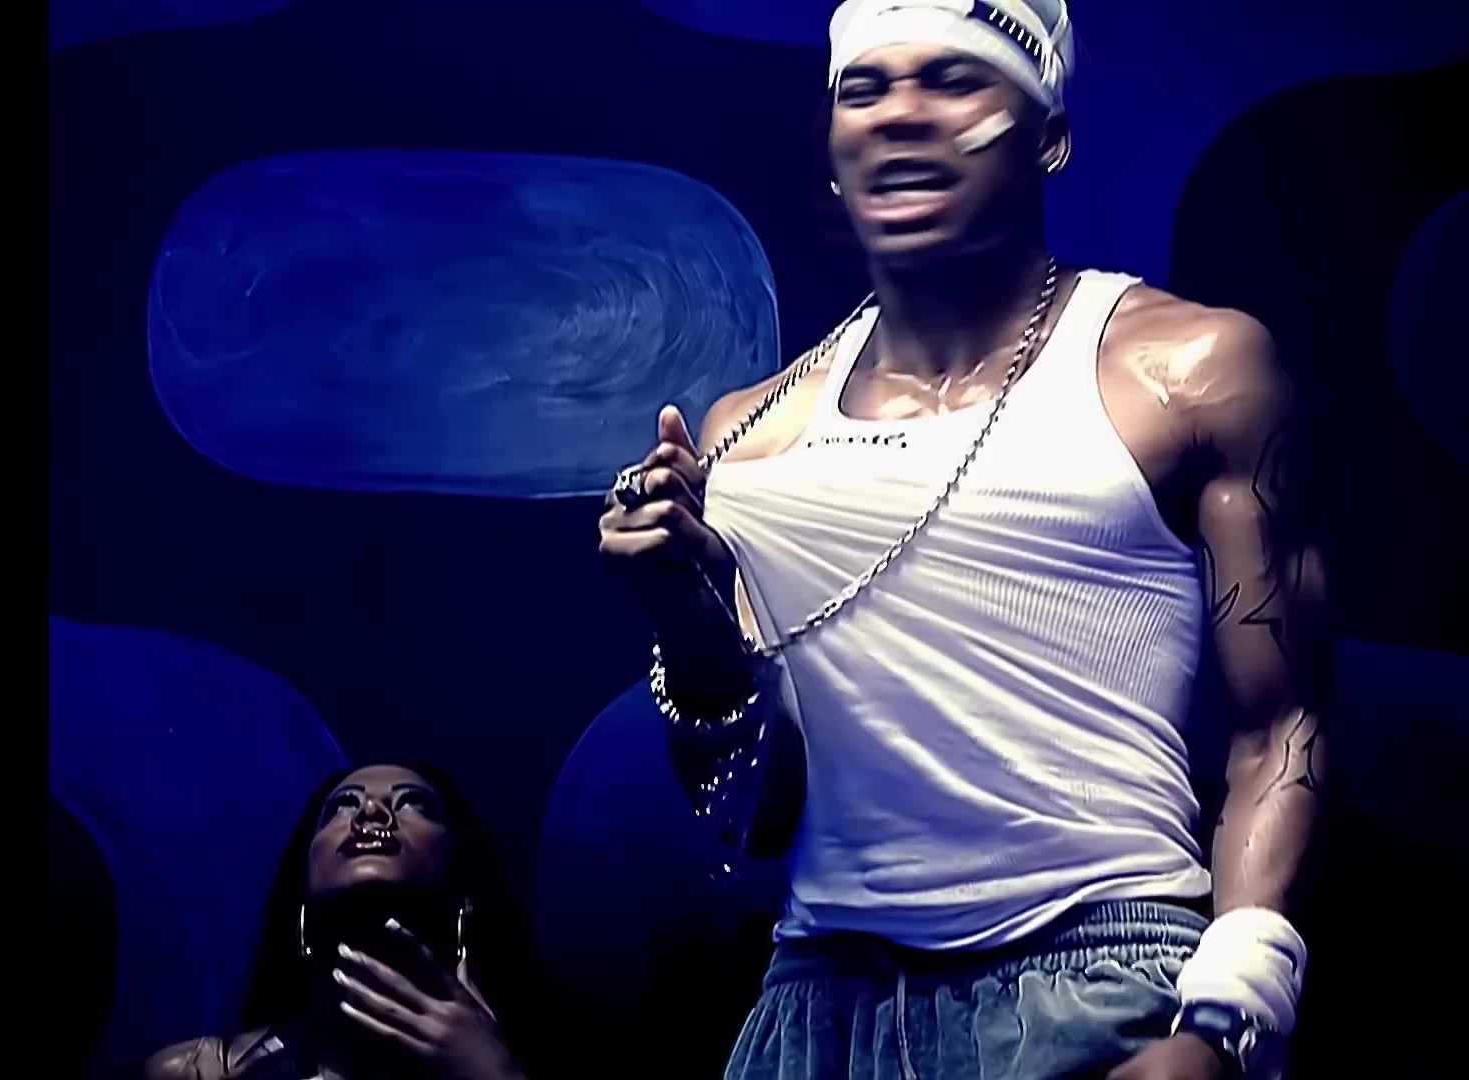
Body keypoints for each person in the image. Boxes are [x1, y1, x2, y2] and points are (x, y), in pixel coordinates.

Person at [599, 1, 1331, 1077]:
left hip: (1098, 979)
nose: (902, 114)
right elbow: (758, 815)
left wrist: (1229, 1021)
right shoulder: (748, 438)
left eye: (953, 79)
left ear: (1050, 137)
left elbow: (1285, 720)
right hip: (819, 1005)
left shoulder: (1188, 372)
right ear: (834, 153)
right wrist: (685, 610)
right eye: (865, 88)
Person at [145, 763, 529, 1080]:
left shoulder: (525, 1058)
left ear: (462, 890)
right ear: (301, 894)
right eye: (343, 805)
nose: (371, 811)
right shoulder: (200, 1071)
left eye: (414, 803)